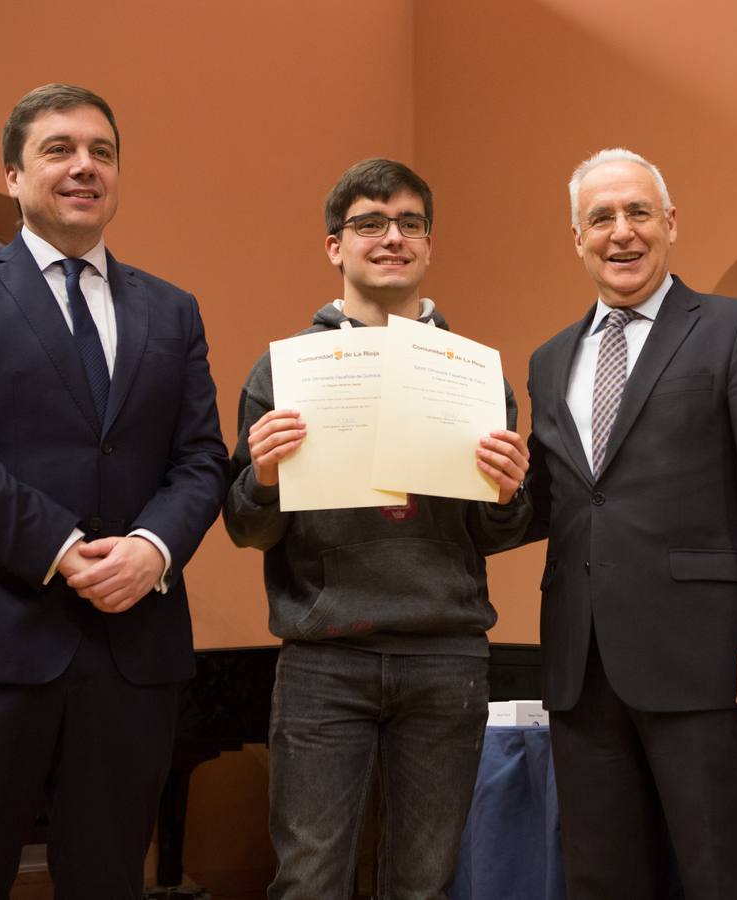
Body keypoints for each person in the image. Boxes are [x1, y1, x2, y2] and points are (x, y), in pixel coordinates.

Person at [0, 83, 228, 899]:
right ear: (12, 175)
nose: (85, 167)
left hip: (131, 652)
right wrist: (65, 550)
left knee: (108, 879)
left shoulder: (172, 311)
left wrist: (151, 549)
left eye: (101, 153)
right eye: (59, 150)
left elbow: (202, 461)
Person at [223, 158, 531, 900]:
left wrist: (506, 491)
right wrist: (261, 478)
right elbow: (244, 528)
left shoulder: (476, 374)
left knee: (424, 884)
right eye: (368, 223)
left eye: (408, 223)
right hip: (323, 662)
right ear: (335, 246)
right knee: (308, 880)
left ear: (428, 245)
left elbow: (497, 532)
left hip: (445, 656)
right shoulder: (282, 370)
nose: (390, 237)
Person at [521, 147, 737, 898]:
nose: (621, 233)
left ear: (670, 223)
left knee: (724, 877)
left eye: (637, 213)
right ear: (576, 238)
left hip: (708, 668)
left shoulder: (736, 330)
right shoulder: (550, 359)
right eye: (601, 218)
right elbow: (559, 501)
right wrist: (490, 486)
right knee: (600, 881)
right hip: (579, 671)